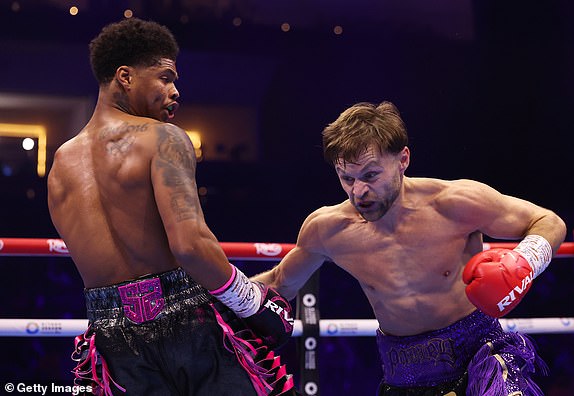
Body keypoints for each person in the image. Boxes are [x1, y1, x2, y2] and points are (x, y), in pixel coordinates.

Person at [47, 17, 296, 396]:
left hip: (111, 341)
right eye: (165, 77)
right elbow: (190, 245)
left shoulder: (60, 165)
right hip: (188, 323)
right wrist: (252, 302)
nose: (176, 90)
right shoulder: (163, 138)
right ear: (125, 76)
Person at [253, 101, 567, 395]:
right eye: (346, 178)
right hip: (404, 374)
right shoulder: (328, 229)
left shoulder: (455, 203)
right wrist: (212, 292)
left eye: (371, 175)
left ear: (403, 159)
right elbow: (280, 284)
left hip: (481, 357)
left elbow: (548, 221)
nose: (359, 191)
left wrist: (524, 261)